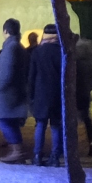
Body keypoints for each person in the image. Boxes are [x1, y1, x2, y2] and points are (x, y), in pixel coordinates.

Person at [0, 17, 29, 163]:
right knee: (11, 120)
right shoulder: (18, 46)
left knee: (3, 120)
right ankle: (17, 150)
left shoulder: (10, 48)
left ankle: (17, 151)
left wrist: (2, 86)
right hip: (17, 89)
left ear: (5, 31)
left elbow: (6, 72)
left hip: (9, 92)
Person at [27, 23, 64, 167]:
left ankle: (37, 155)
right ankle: (55, 157)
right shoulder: (62, 52)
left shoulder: (37, 52)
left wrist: (30, 95)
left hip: (41, 94)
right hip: (57, 94)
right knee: (55, 126)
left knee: (40, 125)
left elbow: (32, 76)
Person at [75, 35, 92, 157]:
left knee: (71, 121)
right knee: (87, 120)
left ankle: (71, 147)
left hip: (72, 94)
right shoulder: (91, 63)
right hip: (86, 93)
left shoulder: (72, 62)